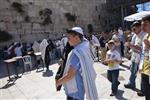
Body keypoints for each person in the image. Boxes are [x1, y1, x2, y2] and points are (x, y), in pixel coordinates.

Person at [56, 27, 98, 100]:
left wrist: (58, 82)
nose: (67, 40)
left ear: (76, 38)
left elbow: (70, 74)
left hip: (74, 92)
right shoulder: (84, 48)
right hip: (79, 90)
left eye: (69, 38)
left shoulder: (77, 53)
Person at [124, 22, 146, 92]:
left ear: (140, 27)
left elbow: (144, 48)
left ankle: (143, 89)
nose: (133, 31)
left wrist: (131, 46)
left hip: (142, 58)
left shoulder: (145, 35)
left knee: (142, 74)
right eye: (132, 30)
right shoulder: (134, 35)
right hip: (134, 56)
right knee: (133, 71)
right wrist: (130, 48)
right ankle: (131, 83)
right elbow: (133, 45)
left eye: (134, 29)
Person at [139, 15, 150, 100]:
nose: (142, 28)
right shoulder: (146, 37)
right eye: (142, 25)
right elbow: (144, 53)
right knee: (147, 94)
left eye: (145, 24)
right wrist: (141, 66)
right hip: (145, 70)